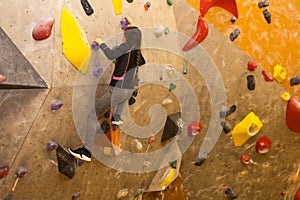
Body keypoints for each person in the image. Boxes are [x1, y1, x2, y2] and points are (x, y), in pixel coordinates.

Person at [69, 22, 146, 162]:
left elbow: (110, 54)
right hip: (129, 91)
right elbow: (138, 62)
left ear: (127, 38)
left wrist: (101, 43)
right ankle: (117, 118)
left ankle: (86, 151)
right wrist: (133, 27)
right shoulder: (137, 52)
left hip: (117, 91)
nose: (122, 38)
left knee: (92, 116)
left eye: (124, 36)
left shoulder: (125, 47)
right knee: (116, 109)